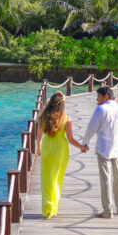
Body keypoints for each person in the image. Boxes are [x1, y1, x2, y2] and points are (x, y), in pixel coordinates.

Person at [82, 86, 118, 219]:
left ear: (106, 96)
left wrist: (85, 143)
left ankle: (107, 210)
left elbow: (91, 128)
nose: (97, 99)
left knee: (105, 179)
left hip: (104, 148)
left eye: (98, 96)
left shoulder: (101, 109)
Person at [36, 91, 85, 219]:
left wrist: (39, 148)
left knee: (46, 179)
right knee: (57, 179)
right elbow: (71, 139)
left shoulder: (44, 117)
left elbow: (39, 136)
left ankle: (47, 206)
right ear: (62, 105)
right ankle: (54, 208)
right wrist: (81, 147)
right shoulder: (66, 119)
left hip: (47, 148)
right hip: (60, 150)